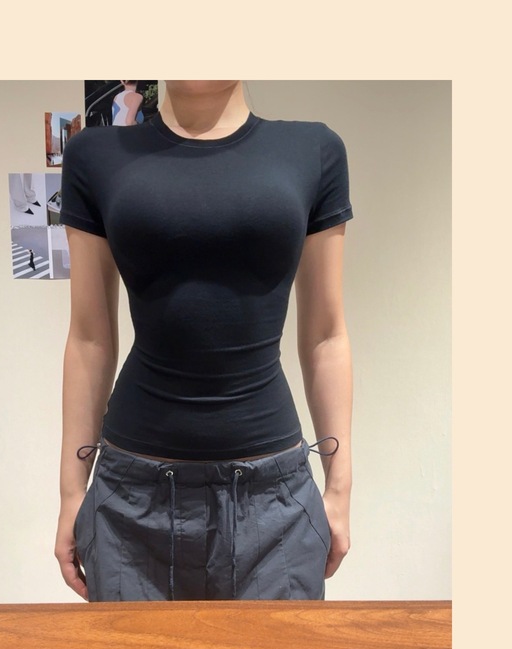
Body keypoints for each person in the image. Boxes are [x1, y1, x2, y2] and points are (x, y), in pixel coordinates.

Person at [55, 80, 353, 602]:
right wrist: (70, 493)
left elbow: (326, 337)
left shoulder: (314, 150)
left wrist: (339, 490)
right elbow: (89, 337)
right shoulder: (95, 154)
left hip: (274, 500)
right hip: (130, 501)